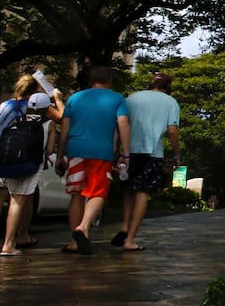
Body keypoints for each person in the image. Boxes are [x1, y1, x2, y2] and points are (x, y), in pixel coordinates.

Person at [0, 75, 63, 256]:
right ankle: (18, 237)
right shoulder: (40, 108)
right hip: (26, 159)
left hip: (1, 156)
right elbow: (62, 118)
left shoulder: (3, 106)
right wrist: (57, 98)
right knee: (21, 200)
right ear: (35, 91)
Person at [55, 66, 130, 256]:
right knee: (97, 193)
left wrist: (60, 154)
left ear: (90, 80)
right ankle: (84, 227)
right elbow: (123, 125)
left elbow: (64, 128)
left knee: (77, 194)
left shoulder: (74, 98)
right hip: (101, 152)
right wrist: (125, 153)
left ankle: (74, 241)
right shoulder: (117, 99)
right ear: (110, 81)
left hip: (75, 150)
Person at [113, 71, 180, 252]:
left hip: (129, 151)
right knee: (142, 193)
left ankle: (125, 226)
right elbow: (172, 130)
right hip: (153, 153)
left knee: (128, 189)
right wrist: (176, 155)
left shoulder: (131, 99)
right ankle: (131, 240)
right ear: (167, 86)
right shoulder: (171, 102)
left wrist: (117, 151)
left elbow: (120, 125)